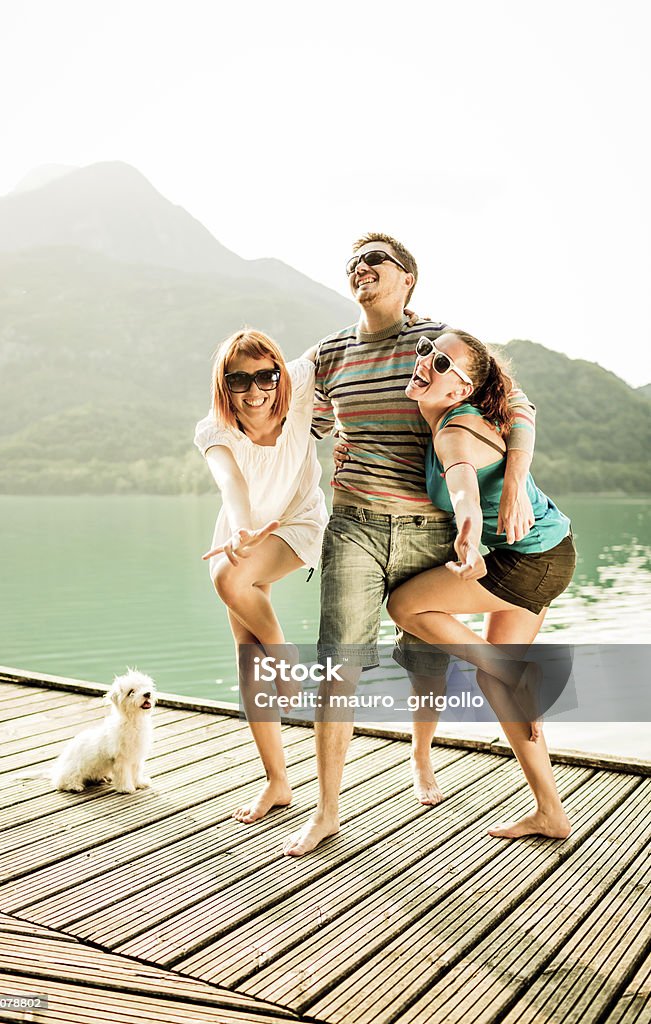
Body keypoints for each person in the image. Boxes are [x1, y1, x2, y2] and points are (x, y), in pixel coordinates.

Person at [282, 233, 538, 857]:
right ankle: (325, 813)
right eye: (355, 262)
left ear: (408, 280)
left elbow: (518, 405)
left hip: (431, 527)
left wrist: (514, 485)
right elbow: (300, 430)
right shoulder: (329, 354)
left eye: (378, 261)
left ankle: (422, 763)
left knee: (427, 659)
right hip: (356, 526)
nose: (362, 268)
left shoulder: (439, 346)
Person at [386, 329, 576, 839]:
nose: (427, 362)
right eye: (428, 351)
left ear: (461, 390)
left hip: (530, 559)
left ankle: (513, 673)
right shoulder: (482, 407)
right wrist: (512, 479)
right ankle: (551, 812)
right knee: (500, 681)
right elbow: (520, 402)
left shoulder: (454, 431)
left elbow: (464, 487)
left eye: (443, 364)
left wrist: (468, 536)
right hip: (550, 551)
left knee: (405, 606)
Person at [194, 328, 328, 823]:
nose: (255, 391)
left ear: (278, 373)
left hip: (298, 521)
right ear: (224, 384)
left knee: (228, 581)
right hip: (244, 529)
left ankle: (286, 658)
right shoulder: (214, 430)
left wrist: (403, 314)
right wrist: (244, 528)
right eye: (239, 380)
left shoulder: (298, 383)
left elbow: (341, 341)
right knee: (247, 655)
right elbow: (230, 481)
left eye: (265, 377)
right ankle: (277, 780)